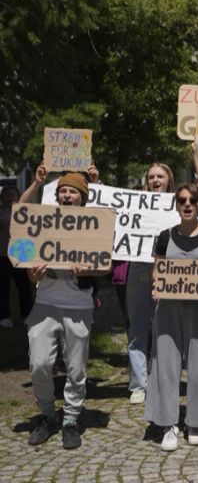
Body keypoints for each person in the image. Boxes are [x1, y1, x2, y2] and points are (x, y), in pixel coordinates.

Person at [20, 169, 102, 450]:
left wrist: (89, 269)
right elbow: (21, 213)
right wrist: (32, 275)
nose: (67, 195)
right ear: (58, 196)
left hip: (78, 305)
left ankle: (70, 419)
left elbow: (107, 264)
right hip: (45, 303)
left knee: (76, 369)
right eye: (63, 191)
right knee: (39, 363)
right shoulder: (44, 222)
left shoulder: (94, 226)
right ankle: (46, 415)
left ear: (82, 197)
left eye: (73, 191)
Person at [144, 183, 198, 451]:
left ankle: (196, 421)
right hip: (168, 308)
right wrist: (157, 285)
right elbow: (157, 271)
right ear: (176, 205)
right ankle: (168, 424)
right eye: (182, 200)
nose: (187, 205)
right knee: (166, 365)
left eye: (193, 200)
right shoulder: (165, 236)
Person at [124, 162, 175, 405]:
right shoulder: (134, 202)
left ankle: (159, 380)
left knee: (163, 327)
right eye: (151, 177)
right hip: (139, 269)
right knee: (137, 326)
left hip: (168, 269)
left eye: (160, 176)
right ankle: (138, 384)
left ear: (169, 180)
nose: (155, 180)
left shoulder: (179, 204)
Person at [0, 185, 32, 326]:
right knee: (3, 287)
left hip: (21, 254)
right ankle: (4, 317)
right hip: (2, 254)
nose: (9, 198)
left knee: (24, 286)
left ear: (17, 197)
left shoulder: (25, 212)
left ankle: (27, 315)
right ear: (2, 197)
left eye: (12, 195)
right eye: (7, 195)